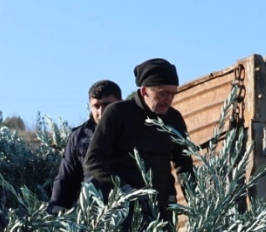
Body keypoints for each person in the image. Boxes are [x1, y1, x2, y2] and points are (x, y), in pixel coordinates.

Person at [83, 59, 195, 207]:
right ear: (144, 91)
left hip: (162, 210)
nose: (168, 100)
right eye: (163, 94)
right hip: (124, 210)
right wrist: (125, 191)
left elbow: (184, 165)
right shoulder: (117, 114)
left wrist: (196, 203)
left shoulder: (174, 119)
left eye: (173, 94)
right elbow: (93, 160)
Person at [50, 80, 122, 210]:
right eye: (96, 106)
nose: (101, 112)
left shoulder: (133, 132)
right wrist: (56, 211)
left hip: (128, 211)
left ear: (119, 104)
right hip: (90, 214)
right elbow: (66, 179)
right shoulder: (79, 136)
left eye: (107, 105)